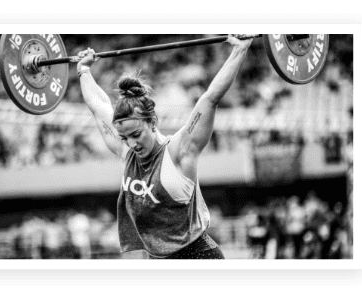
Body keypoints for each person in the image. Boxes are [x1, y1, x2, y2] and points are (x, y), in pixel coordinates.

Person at [76, 34, 253, 259]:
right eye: (124, 138)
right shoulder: (127, 153)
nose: (131, 143)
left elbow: (209, 99)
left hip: (197, 256)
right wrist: (84, 70)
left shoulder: (179, 151)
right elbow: (98, 106)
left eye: (136, 135)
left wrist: (240, 50)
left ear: (152, 122)